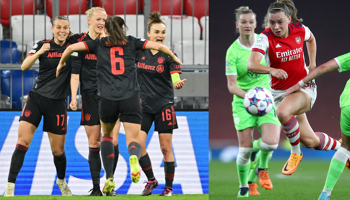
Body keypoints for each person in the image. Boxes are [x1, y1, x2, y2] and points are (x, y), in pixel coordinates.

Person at [56, 15, 182, 195]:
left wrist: (61, 63)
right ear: (124, 28)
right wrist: (174, 58)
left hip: (107, 99)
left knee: (108, 137)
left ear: (105, 30)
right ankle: (133, 158)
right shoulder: (132, 42)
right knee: (133, 140)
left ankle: (109, 177)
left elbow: (71, 47)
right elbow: (159, 47)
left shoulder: (98, 44)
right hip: (131, 98)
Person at [247, 0, 341, 176]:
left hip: (303, 88)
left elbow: (311, 39)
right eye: (272, 22)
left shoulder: (299, 29)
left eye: (280, 21)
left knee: (283, 113)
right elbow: (251, 64)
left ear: (289, 19)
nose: (275, 26)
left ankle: (295, 153)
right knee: (311, 141)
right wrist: (271, 70)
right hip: (280, 94)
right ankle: (343, 149)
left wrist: (312, 65)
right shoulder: (265, 37)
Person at [4, 16, 79, 197]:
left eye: (65, 27)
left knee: (58, 151)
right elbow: (24, 66)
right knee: (22, 142)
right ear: (52, 29)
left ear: (69, 29)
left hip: (58, 102)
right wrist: (39, 53)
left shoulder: (74, 48)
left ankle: (61, 180)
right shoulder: (42, 44)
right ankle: (10, 187)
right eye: (59, 27)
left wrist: (74, 97)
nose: (62, 30)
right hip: (36, 99)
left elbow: (74, 75)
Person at [120, 11, 185, 197]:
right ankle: (151, 180)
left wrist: (177, 83)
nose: (160, 36)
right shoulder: (139, 52)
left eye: (163, 32)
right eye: (156, 32)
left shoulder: (169, 55)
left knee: (166, 148)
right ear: (149, 34)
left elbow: (175, 77)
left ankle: (169, 188)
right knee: (138, 145)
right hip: (142, 106)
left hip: (164, 105)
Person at [226, 7, 280, 197]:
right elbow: (232, 86)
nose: (247, 25)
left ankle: (261, 168)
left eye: (251, 22)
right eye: (244, 22)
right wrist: (250, 97)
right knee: (245, 151)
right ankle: (244, 187)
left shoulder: (264, 42)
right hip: (243, 102)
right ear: (237, 25)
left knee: (271, 143)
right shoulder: (232, 52)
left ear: (255, 24)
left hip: (265, 100)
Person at [285, 53, 350, 200]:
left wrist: (300, 84)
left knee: (346, 148)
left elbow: (325, 67)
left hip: (348, 104)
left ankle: (325, 194)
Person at [68, 7, 119, 196]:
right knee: (94, 142)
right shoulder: (79, 43)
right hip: (89, 96)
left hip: (111, 96)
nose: (102, 23)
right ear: (89, 20)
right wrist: (74, 97)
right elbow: (75, 74)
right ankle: (97, 187)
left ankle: (110, 182)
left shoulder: (112, 42)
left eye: (104, 20)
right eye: (98, 19)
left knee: (112, 141)